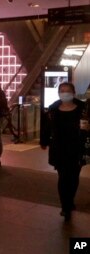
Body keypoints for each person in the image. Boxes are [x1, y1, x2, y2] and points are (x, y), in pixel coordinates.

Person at [40, 82, 88, 221]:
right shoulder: (53, 109)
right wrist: (44, 141)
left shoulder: (83, 109)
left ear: (73, 93)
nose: (64, 93)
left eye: (67, 91)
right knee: (62, 177)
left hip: (77, 148)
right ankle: (65, 206)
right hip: (59, 148)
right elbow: (47, 127)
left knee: (73, 177)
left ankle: (70, 200)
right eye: (62, 90)